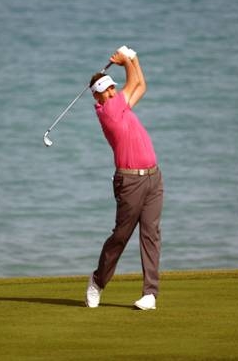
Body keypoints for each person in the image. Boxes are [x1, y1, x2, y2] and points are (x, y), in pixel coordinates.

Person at [85, 47, 164, 310]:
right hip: (129, 182)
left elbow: (141, 85)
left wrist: (134, 59)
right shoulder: (107, 112)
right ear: (96, 95)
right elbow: (132, 82)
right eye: (106, 90)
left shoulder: (121, 106)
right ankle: (97, 281)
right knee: (121, 236)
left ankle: (150, 293)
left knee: (151, 235)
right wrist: (125, 61)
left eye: (112, 88)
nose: (111, 92)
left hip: (153, 178)